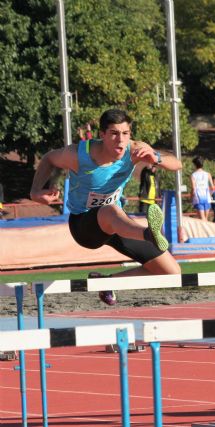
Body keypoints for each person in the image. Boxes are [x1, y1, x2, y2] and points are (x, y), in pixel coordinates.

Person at [30, 109, 182, 305]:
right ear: (102, 134)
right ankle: (149, 233)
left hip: (118, 225)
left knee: (171, 272)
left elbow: (177, 164)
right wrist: (35, 191)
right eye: (114, 133)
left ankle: (106, 283)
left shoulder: (135, 150)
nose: (121, 140)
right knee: (110, 210)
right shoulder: (78, 155)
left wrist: (157, 158)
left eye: (125, 133)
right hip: (84, 226)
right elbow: (50, 158)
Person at [191, 156, 215, 221]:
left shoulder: (193, 175)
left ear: (195, 165)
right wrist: (210, 195)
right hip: (207, 198)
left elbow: (193, 188)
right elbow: (213, 187)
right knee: (205, 219)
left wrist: (191, 197)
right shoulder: (208, 174)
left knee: (202, 219)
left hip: (198, 198)